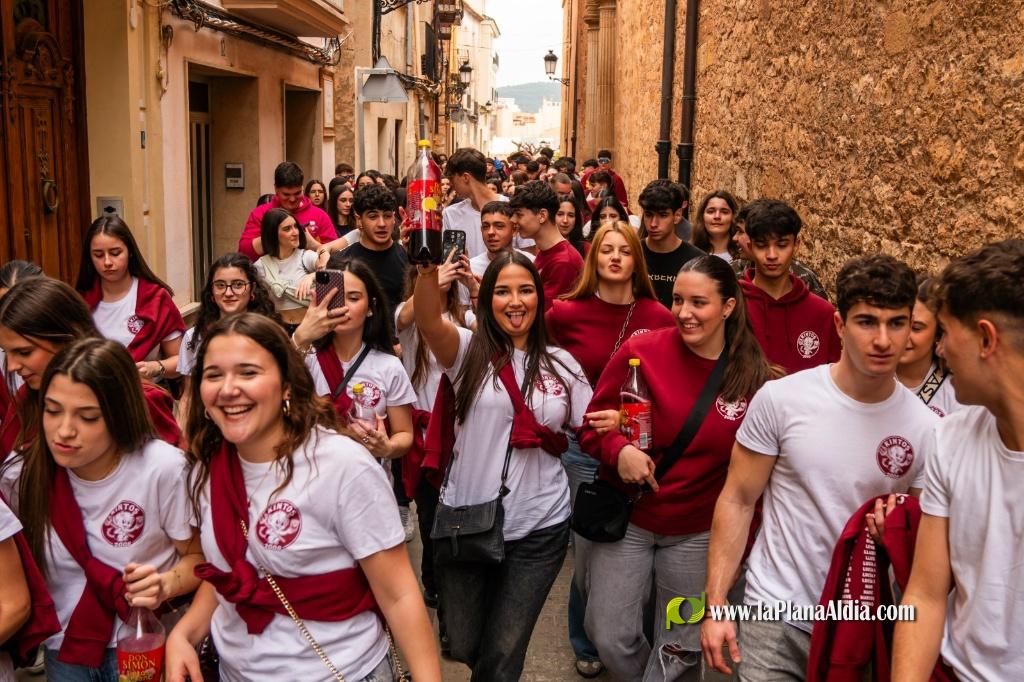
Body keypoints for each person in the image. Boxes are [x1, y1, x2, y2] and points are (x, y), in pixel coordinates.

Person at [164, 313, 441, 682]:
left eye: (248, 373)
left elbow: (399, 595)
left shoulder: (341, 465)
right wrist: (183, 635)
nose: (228, 388)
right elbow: (230, 575)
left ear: (287, 386)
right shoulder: (205, 469)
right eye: (214, 375)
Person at [701, 254, 938, 679]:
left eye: (897, 323)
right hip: (774, 607)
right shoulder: (782, 400)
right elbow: (737, 500)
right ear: (840, 326)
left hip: (860, 620)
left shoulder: (926, 430)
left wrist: (898, 534)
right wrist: (715, 604)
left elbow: (923, 542)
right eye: (867, 322)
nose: (883, 339)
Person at [576, 254, 774, 681]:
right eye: (678, 300)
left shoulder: (751, 378)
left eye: (699, 302)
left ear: (728, 306)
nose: (684, 313)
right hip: (628, 519)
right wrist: (618, 451)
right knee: (607, 632)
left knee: (680, 645)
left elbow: (755, 480)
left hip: (698, 534)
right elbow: (589, 428)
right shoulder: (640, 353)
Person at [413, 251, 591, 681]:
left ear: (540, 298)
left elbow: (591, 427)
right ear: (486, 298)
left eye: (526, 290)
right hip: (467, 522)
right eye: (503, 291)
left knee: (504, 651)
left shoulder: (562, 364)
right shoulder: (466, 351)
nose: (516, 301)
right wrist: (426, 272)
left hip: (540, 525)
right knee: (465, 641)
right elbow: (427, 320)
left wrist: (621, 436)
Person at [0, 338, 201, 680]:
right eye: (52, 410)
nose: (64, 431)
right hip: (66, 647)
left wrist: (166, 583)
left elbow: (201, 559)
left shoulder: (162, 469)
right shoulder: (23, 474)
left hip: (147, 641)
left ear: (119, 414)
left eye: (88, 417)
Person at [546, 222, 675, 679]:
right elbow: (544, 373)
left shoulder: (658, 316)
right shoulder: (564, 312)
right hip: (584, 451)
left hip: (644, 449)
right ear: (594, 258)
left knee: (638, 555)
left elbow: (672, 384)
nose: (616, 258)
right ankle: (587, 640)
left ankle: (634, 638)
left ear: (636, 260)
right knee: (589, 555)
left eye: (625, 251)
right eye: (607, 251)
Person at [892, 239, 1024, 682]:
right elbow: (927, 595)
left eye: (945, 333)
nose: (941, 350)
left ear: (986, 339)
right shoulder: (950, 438)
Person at [292, 255, 417, 540]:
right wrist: (301, 335)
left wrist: (387, 448)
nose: (343, 306)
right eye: (335, 296)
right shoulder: (304, 357)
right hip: (310, 491)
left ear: (371, 308)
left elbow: (405, 435)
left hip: (369, 493)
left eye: (354, 297)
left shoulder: (389, 367)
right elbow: (272, 397)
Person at [0, 277, 181, 458]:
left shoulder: (137, 400)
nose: (12, 366)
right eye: (6, 352)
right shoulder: (24, 401)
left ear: (66, 338)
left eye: (24, 352)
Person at [75, 216, 185, 382]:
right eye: (98, 255)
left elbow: (181, 360)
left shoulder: (155, 298)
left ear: (130, 252)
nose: (107, 262)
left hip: (143, 399)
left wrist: (155, 367)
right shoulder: (80, 302)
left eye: (115, 253)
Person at [738, 200, 841, 373]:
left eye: (782, 245)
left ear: (796, 245)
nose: (772, 255)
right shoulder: (731, 306)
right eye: (762, 245)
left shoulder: (823, 314)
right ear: (750, 247)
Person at [178, 253, 280, 420]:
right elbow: (188, 397)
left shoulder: (269, 334)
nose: (229, 293)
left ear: (252, 289)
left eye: (238, 284)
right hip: (209, 428)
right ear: (211, 291)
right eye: (220, 285)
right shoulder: (194, 337)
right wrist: (181, 442)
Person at [331, 184, 410, 322]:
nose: (382, 223)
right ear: (359, 220)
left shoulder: (408, 259)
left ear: (394, 219)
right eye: (373, 216)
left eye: (387, 216)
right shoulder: (340, 262)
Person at [442, 148, 534, 259]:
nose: (451, 184)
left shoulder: (514, 209)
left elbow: (530, 257)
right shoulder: (451, 214)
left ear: (466, 177)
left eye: (452, 179)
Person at [730, 200, 829, 301]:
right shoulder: (732, 271)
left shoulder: (804, 278)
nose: (772, 255)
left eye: (741, 232)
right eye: (762, 244)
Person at [509, 181, 584, 312]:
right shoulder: (547, 252)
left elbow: (542, 315)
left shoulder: (564, 262)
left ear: (542, 216)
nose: (513, 220)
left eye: (519, 214)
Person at [238, 161, 337, 260]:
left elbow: (337, 256)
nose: (292, 199)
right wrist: (274, 237)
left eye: (297, 193)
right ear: (276, 189)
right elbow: (244, 253)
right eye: (286, 194)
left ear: (302, 188)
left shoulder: (320, 216)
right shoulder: (260, 213)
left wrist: (313, 245)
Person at [895, 277, 962, 417]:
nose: (904, 335)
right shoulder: (873, 380)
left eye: (916, 328)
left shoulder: (956, 391)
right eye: (897, 324)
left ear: (938, 334)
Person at [638, 180, 705, 309]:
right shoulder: (632, 253)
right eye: (648, 215)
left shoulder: (696, 260)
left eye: (663, 215)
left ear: (677, 215)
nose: (653, 224)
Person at [253, 208, 318, 330]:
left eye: (295, 226)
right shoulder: (260, 266)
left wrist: (313, 276)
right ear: (273, 234)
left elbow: (333, 267)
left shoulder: (305, 257)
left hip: (309, 328)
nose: (296, 232)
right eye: (287, 229)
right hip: (278, 330)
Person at [691, 190, 739, 262]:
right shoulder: (690, 255)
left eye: (724, 212)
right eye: (711, 211)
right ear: (702, 216)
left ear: (733, 217)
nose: (717, 216)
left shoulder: (744, 258)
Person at [556, 193, 589, 259]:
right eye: (560, 214)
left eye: (571, 215)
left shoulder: (586, 249)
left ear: (576, 219)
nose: (565, 220)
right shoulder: (542, 247)